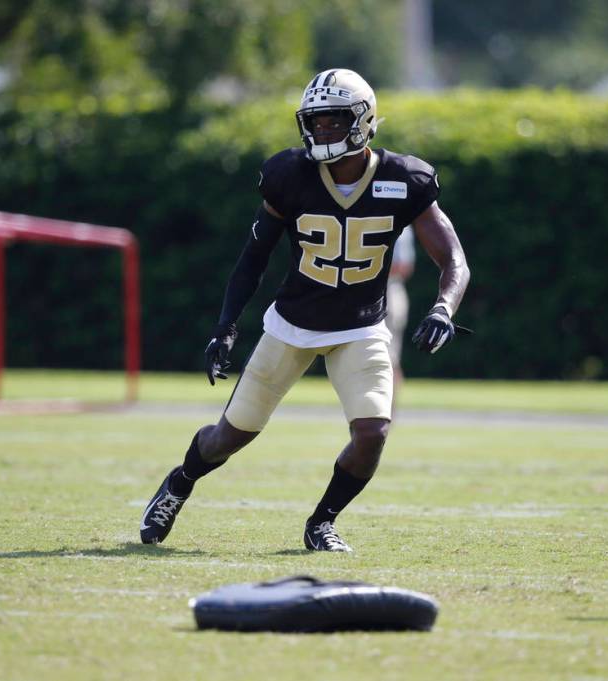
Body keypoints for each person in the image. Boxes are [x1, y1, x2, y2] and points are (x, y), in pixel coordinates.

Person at [140, 68, 470, 552]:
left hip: (362, 327)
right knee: (227, 439)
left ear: (364, 121)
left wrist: (442, 308)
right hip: (291, 325)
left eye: (336, 121)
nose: (324, 132)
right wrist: (225, 326)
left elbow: (454, 259)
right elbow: (253, 257)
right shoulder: (289, 175)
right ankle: (180, 482)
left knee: (373, 432)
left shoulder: (406, 178)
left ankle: (322, 522)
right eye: (316, 122)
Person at [385, 226, 415, 388]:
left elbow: (403, 267)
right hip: (366, 291)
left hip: (388, 289)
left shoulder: (401, 224)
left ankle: (387, 413)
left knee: (388, 358)